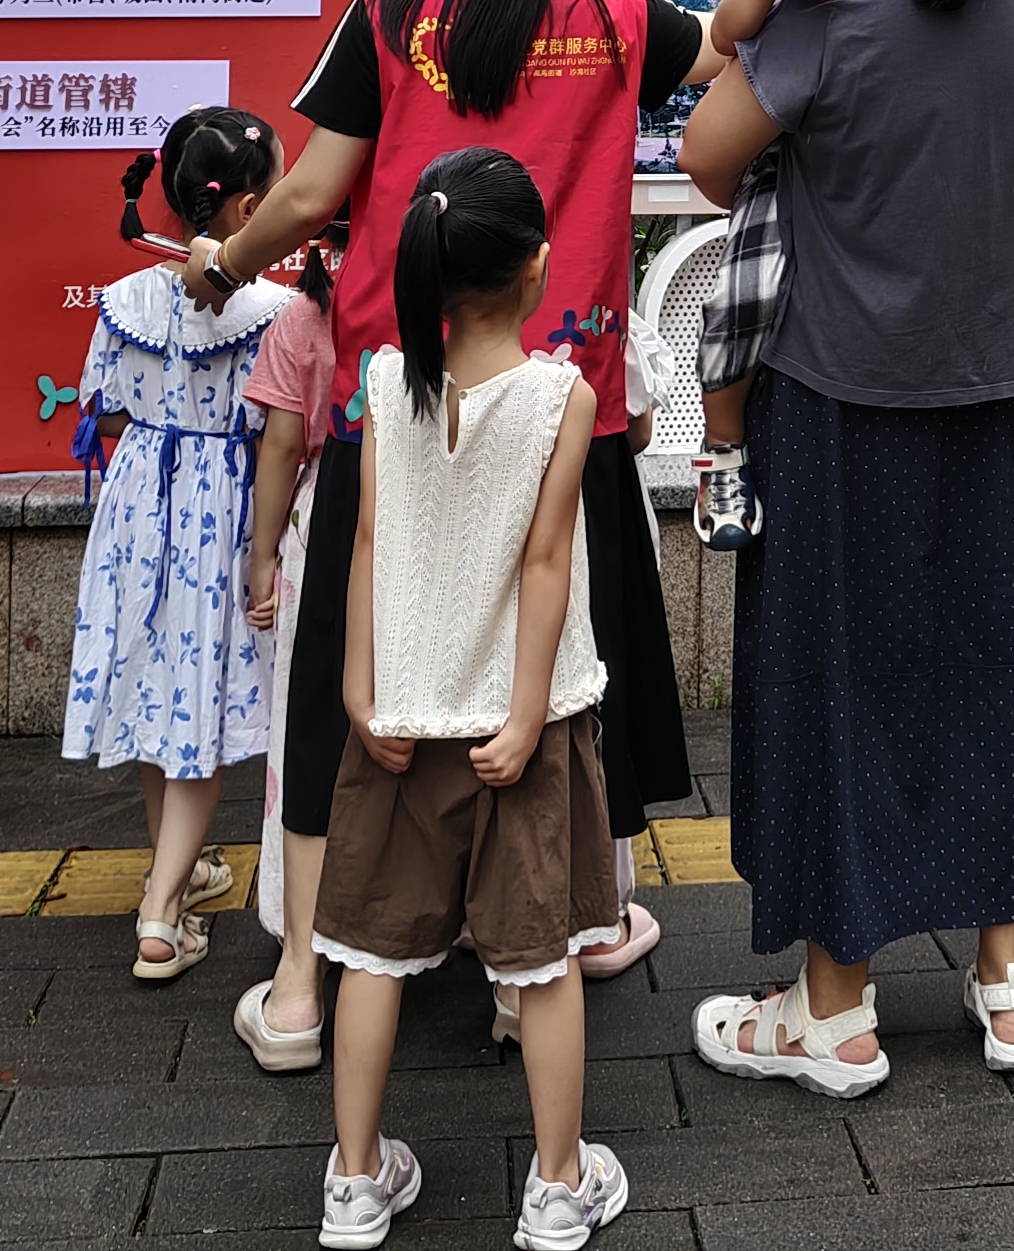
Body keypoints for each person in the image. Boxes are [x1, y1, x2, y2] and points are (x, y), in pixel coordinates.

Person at [187, 0, 840, 1048]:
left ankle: (301, 995)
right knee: (540, 695)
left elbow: (317, 185)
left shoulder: (387, 13)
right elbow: (721, 47)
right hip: (562, 415)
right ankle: (518, 973)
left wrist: (219, 266)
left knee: (349, 684)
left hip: (402, 402)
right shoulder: (615, 19)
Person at [674, 0, 1014, 1091]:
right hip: (1009, 403)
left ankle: (837, 1010)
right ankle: (1012, 984)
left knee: (837, 693)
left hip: (838, 408)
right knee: (1003, 677)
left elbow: (704, 160)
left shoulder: (828, 11)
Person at [312, 149, 629, 1251]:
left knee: (371, 952)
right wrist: (530, 710)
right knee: (540, 962)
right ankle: (555, 1186)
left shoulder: (385, 385)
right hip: (515, 727)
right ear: (535, 268)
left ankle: (354, 1180)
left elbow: (363, 542)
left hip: (397, 719)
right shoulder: (560, 397)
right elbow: (546, 563)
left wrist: (361, 689)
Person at [66, 104, 284, 982]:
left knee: (159, 689)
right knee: (194, 701)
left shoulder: (123, 299)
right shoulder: (270, 307)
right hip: (220, 508)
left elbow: (103, 407)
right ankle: (161, 914)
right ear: (243, 212)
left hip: (135, 509)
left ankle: (179, 868)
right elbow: (280, 429)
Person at [687, 0, 887, 548]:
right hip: (772, 168)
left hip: (807, 163)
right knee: (746, 298)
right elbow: (729, 26)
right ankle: (724, 452)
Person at [231, 220, 346, 1073]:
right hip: (432, 535)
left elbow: (279, 443)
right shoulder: (443, 304)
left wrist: (262, 554)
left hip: (323, 530)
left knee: (305, 741)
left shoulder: (303, 319)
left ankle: (299, 981)